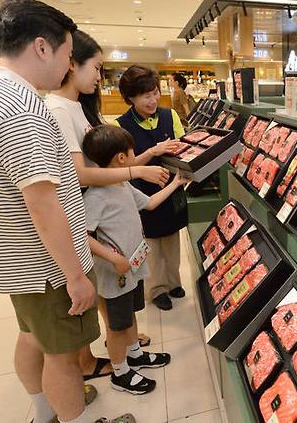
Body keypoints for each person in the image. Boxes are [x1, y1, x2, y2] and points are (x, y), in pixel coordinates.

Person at [0, 0, 131, 423]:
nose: (68, 67)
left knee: (32, 335)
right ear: (42, 47)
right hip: (45, 265)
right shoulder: (22, 108)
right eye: (67, 55)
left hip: (11, 257)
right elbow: (41, 199)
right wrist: (74, 275)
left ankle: (43, 412)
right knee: (61, 355)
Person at [44, 30, 163, 381]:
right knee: (113, 305)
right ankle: (121, 360)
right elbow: (83, 174)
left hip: (116, 233)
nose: (99, 76)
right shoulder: (59, 110)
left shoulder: (78, 108)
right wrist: (137, 169)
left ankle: (129, 348)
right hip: (98, 232)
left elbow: (110, 167)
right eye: (95, 67)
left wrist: (146, 159)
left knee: (122, 305)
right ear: (71, 63)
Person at [82, 125, 186, 394]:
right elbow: (83, 235)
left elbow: (149, 204)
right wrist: (112, 258)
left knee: (130, 316)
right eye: (132, 152)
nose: (135, 155)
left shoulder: (121, 184)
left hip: (133, 267)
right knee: (118, 326)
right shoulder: (96, 195)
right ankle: (120, 372)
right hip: (115, 272)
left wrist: (176, 183)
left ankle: (135, 353)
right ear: (121, 158)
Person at [114, 65, 189, 311]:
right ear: (131, 98)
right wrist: (154, 151)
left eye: (155, 92)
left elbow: (184, 147)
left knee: (172, 239)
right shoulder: (120, 126)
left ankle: (173, 281)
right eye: (146, 95)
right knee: (152, 244)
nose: (153, 99)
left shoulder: (170, 116)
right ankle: (156, 289)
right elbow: (124, 167)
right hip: (143, 193)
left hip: (172, 188)